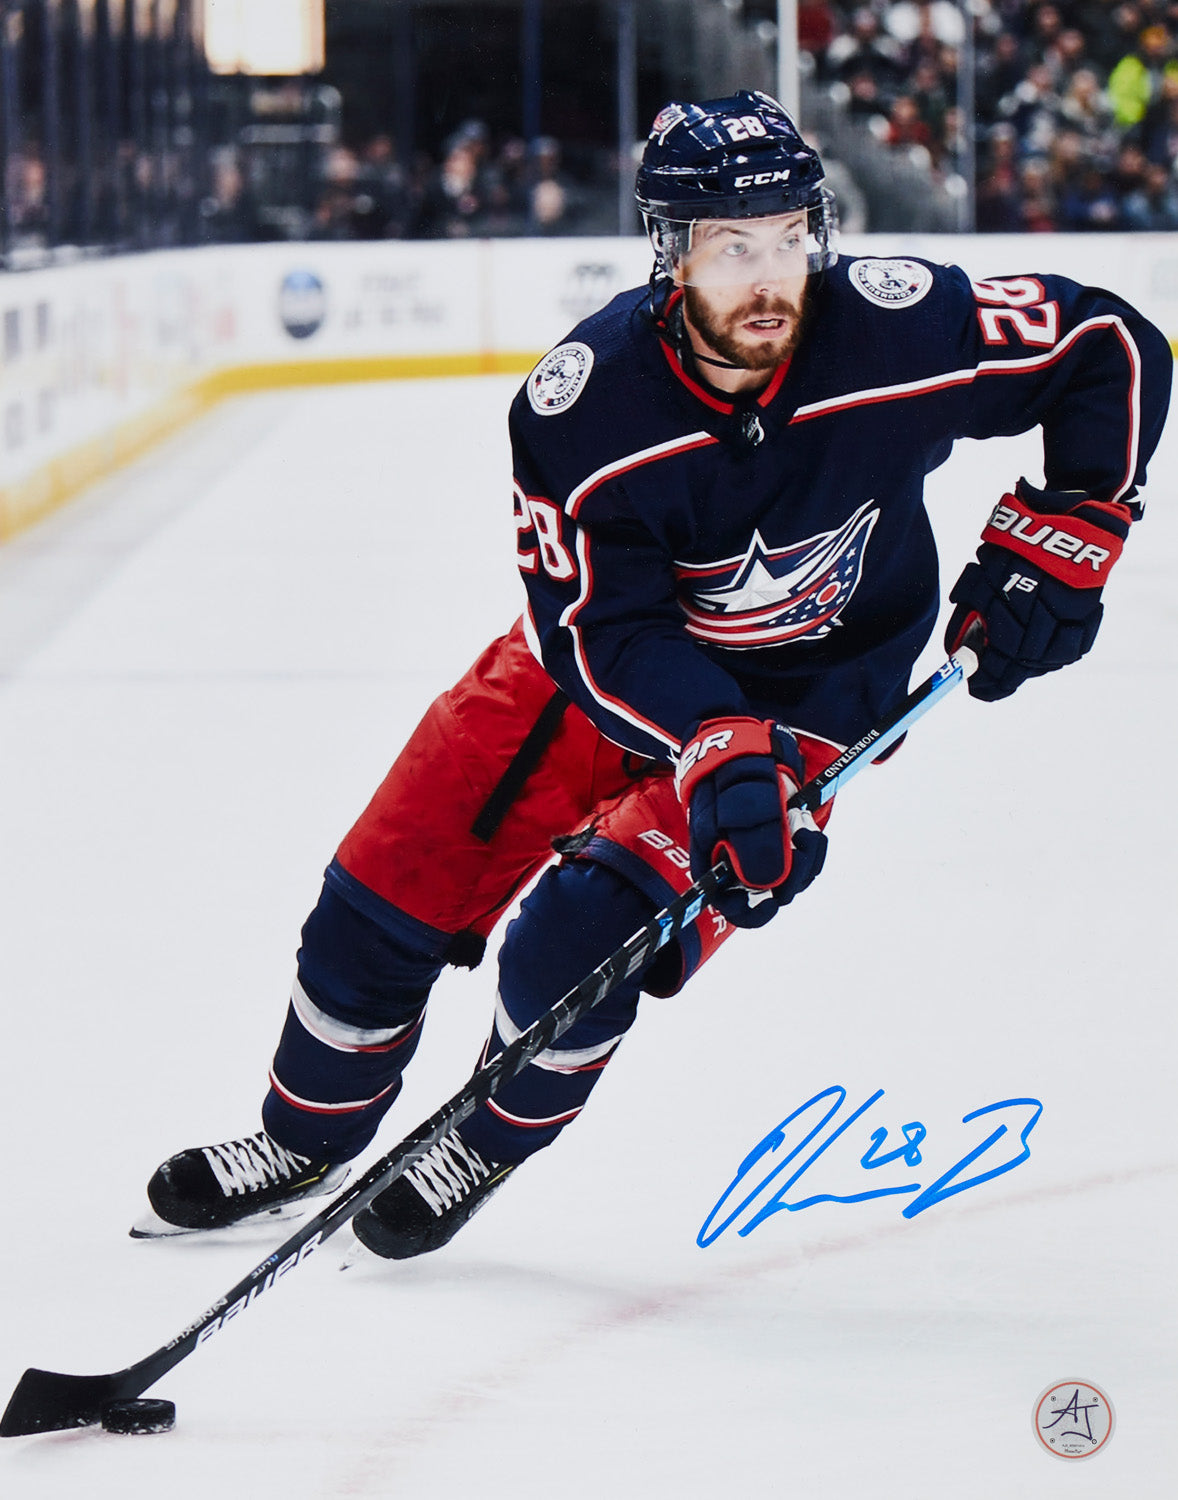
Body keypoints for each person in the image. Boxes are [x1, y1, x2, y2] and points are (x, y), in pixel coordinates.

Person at [136, 90, 1172, 1259]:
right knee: (380, 897)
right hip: (598, 680)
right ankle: (304, 1136)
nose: (770, 279)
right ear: (669, 253)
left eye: (789, 237)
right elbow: (595, 633)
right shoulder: (582, 410)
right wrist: (707, 735)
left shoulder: (898, 329)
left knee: (575, 945)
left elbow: (1107, 347)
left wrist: (1065, 534)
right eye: (732, 247)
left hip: (807, 702)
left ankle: (484, 1139)